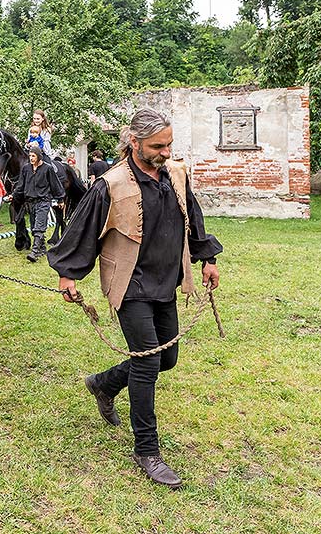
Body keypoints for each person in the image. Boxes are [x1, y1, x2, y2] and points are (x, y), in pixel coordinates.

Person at [47, 109, 222, 489]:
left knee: (167, 358)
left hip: (167, 280)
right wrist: (67, 274)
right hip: (130, 283)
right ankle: (147, 450)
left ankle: (104, 384)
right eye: (158, 145)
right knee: (146, 362)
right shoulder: (110, 184)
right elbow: (82, 230)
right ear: (134, 143)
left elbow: (193, 217)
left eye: (169, 144)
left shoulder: (176, 174)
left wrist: (206, 258)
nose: (165, 151)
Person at [5, 145, 64, 262]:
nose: (31, 158)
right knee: (34, 227)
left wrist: (60, 199)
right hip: (30, 202)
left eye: (33, 156)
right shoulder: (26, 168)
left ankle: (35, 252)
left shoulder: (48, 169)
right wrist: (14, 195)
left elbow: (55, 184)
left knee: (39, 227)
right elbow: (21, 185)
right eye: (30, 156)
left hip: (43, 201)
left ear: (39, 156)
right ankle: (42, 248)